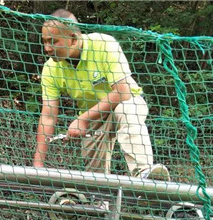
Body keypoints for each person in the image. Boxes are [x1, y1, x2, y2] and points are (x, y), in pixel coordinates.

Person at [33, 9, 170, 182]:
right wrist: (37, 166)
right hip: (93, 121)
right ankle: (100, 203)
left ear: (73, 38)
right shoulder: (50, 68)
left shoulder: (104, 44)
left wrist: (82, 119)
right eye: (44, 42)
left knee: (127, 109)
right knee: (95, 181)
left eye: (53, 41)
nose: (47, 48)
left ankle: (144, 174)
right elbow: (48, 116)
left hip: (125, 103)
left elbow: (123, 91)